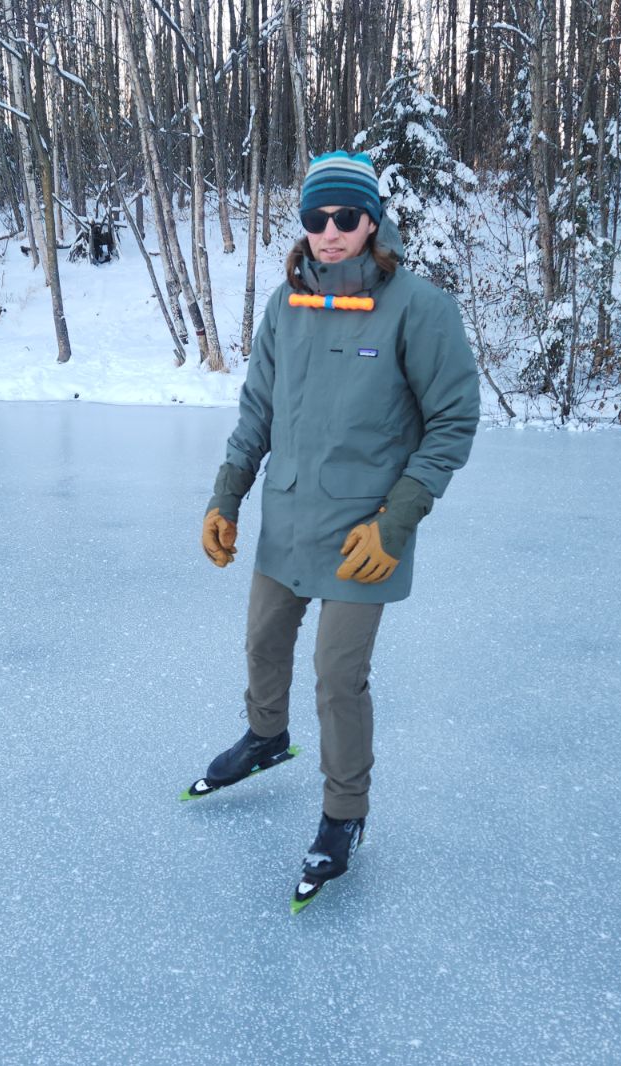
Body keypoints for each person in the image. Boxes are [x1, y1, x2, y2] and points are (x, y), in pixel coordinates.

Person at [190, 150, 481, 909]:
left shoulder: (420, 308)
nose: (328, 232)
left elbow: (452, 423)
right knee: (261, 642)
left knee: (336, 678)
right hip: (288, 516)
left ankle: (345, 816)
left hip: (365, 532)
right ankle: (264, 737)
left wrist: (398, 520)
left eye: (345, 217)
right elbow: (256, 412)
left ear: (372, 221)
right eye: (315, 219)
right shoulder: (285, 308)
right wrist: (227, 496)